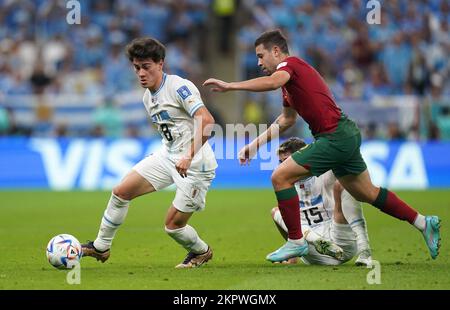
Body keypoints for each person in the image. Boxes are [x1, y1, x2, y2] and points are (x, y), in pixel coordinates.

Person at [203, 29, 441, 263]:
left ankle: (296, 241)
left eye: (260, 55)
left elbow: (272, 82)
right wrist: (255, 144)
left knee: (280, 177)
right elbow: (287, 119)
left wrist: (231, 86)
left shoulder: (290, 66)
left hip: (334, 136)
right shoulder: (289, 82)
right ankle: (423, 222)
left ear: (276, 51)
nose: (258, 62)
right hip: (343, 135)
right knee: (367, 193)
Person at [82, 37, 218, 268]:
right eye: (137, 68)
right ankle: (101, 247)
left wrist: (188, 155)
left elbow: (207, 120)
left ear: (160, 64)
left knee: (173, 226)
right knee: (121, 191)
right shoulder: (148, 97)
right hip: (168, 157)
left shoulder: (178, 87)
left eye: (146, 67)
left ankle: (201, 251)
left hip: (195, 165)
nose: (141, 73)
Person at [271, 137, 372, 266]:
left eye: (286, 161)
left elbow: (347, 165)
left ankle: (364, 248)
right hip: (313, 252)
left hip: (341, 242)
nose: (282, 167)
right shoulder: (284, 184)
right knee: (276, 212)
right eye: (280, 162)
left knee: (344, 184)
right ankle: (295, 252)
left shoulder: (325, 171)